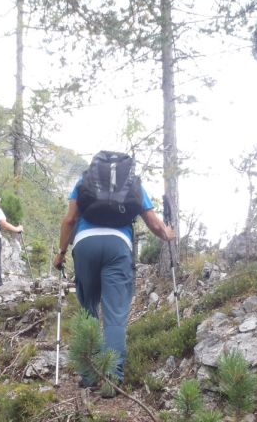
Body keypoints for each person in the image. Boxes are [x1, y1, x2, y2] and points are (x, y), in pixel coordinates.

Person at [53, 167, 174, 397]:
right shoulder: (133, 184)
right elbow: (154, 222)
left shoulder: (83, 180)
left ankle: (88, 376)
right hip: (118, 245)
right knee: (115, 315)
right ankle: (112, 380)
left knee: (89, 310)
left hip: (85, 244)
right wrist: (167, 235)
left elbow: (70, 220)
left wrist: (61, 253)